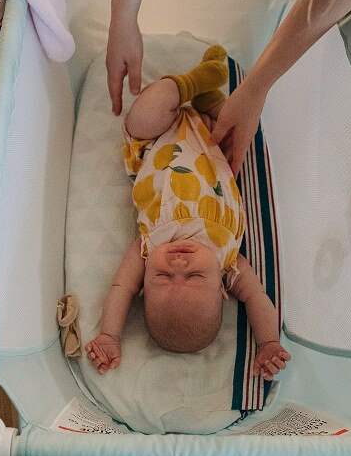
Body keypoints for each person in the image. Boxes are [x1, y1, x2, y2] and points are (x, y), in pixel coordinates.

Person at [106, 0, 351, 175]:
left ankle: (199, 88)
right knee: (148, 114)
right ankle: (196, 87)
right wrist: (123, 12)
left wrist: (256, 87)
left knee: (350, 31)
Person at [85, 45, 291, 381]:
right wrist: (268, 341)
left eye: (163, 277)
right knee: (240, 131)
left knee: (143, 113)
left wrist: (110, 335)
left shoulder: (147, 247)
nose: (178, 265)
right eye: (194, 276)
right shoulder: (229, 262)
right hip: (215, 143)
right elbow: (256, 297)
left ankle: (192, 84)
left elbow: (119, 288)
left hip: (156, 137)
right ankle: (206, 100)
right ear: (223, 290)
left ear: (144, 287)